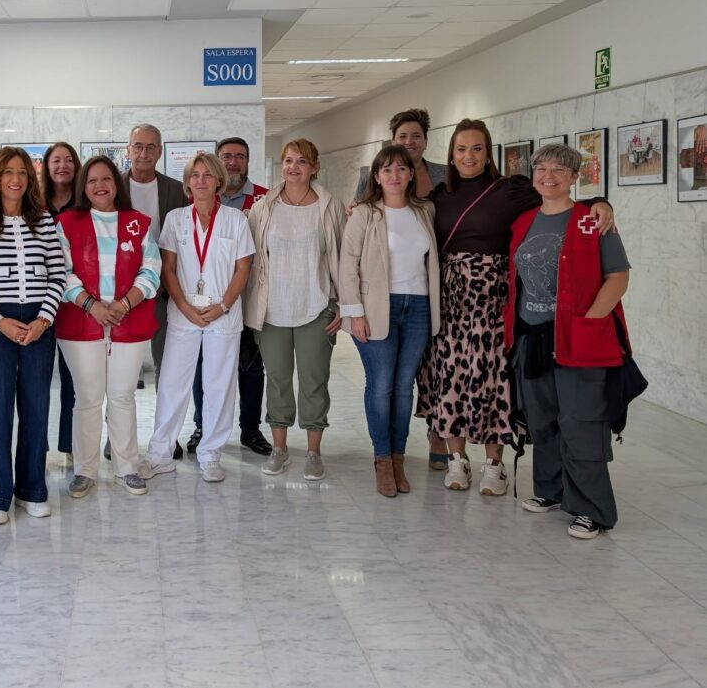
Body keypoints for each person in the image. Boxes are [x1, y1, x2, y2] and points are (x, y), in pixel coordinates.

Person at [417, 119, 613, 496]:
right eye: (461, 149)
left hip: (495, 299)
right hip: (450, 300)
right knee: (450, 377)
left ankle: (495, 464)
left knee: (495, 379)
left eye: (476, 148)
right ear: (451, 155)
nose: (468, 156)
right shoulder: (441, 195)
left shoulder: (510, 189)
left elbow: (555, 200)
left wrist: (597, 203)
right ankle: (457, 459)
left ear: (487, 151)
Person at [505, 143, 631, 539]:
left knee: (581, 422)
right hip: (533, 338)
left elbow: (618, 277)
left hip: (580, 340)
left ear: (576, 177)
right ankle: (551, 490)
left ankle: (592, 508)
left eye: (560, 169)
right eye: (542, 168)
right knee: (542, 421)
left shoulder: (591, 221)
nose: (549, 175)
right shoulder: (523, 221)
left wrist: (590, 321)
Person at [0, 147, 65, 524]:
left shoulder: (44, 221)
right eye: (8, 172)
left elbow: (57, 276)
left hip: (38, 324)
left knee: (36, 409)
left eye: (23, 172)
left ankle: (32, 489)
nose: (16, 179)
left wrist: (42, 320)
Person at [141, 153, 254, 483]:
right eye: (195, 175)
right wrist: (185, 306)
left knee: (219, 384)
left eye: (207, 175)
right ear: (187, 182)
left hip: (223, 314)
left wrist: (222, 306)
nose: (201, 180)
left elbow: (242, 268)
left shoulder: (235, 220)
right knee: (172, 383)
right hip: (183, 313)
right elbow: (168, 268)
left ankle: (210, 453)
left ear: (218, 179)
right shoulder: (176, 219)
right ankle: (160, 453)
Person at [56, 156, 162, 498]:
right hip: (80, 322)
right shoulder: (68, 222)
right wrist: (92, 305)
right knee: (87, 398)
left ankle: (127, 467)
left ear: (117, 184)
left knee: (121, 395)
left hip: (127, 320)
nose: (100, 186)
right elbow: (61, 270)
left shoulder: (138, 222)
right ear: (82, 187)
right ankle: (84, 470)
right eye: (92, 181)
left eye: (106, 179)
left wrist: (122, 304)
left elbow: (151, 270)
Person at [339, 146, 439, 497]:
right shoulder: (365, 213)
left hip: (418, 308)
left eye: (401, 169)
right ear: (376, 178)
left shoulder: (424, 211)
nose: (394, 175)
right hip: (376, 307)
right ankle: (382, 460)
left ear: (411, 174)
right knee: (380, 385)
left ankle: (399, 458)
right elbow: (347, 264)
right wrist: (355, 313)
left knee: (403, 387)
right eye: (386, 170)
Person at [245, 139, 345, 482]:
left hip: (315, 307)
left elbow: (342, 261)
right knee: (277, 382)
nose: (293, 167)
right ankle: (280, 448)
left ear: (314, 167)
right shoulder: (264, 207)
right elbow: (253, 259)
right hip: (272, 311)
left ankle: (314, 452)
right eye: (288, 160)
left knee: (315, 383)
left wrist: (342, 306)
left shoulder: (329, 207)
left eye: (302, 161)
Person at [190, 136, 272, 458]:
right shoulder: (205, 196)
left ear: (248, 161)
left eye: (240, 157)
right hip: (210, 303)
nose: (233, 162)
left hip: (250, 299)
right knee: (205, 366)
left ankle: (250, 429)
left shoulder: (265, 199)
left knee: (251, 367)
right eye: (226, 156)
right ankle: (202, 425)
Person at [123, 123, 188, 458]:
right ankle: (118, 440)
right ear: (128, 149)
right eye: (138, 146)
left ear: (160, 152)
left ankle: (166, 438)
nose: (143, 153)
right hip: (120, 295)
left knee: (168, 368)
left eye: (150, 147)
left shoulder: (176, 190)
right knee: (123, 373)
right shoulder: (113, 187)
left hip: (163, 291)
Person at [41, 142, 83, 463]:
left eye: (69, 160)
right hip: (40, 300)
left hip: (75, 301)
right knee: (38, 378)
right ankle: (36, 445)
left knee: (73, 377)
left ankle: (70, 446)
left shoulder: (84, 204)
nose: (63, 166)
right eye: (56, 160)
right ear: (46, 166)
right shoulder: (34, 204)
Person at [352, 108, 448, 203]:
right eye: (403, 136)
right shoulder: (368, 179)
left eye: (416, 136)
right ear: (393, 142)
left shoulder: (446, 174)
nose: (409, 142)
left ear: (425, 141)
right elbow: (357, 210)